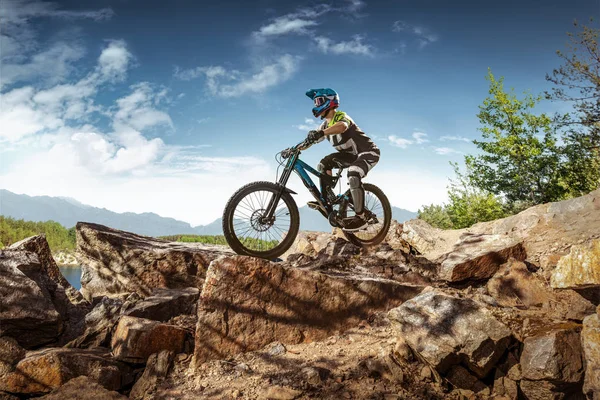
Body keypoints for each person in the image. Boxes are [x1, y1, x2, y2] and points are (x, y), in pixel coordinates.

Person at [304, 88, 380, 232]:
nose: (316, 104)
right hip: (350, 156)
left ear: (330, 101)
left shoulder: (341, 116)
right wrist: (294, 149)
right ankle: (327, 199)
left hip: (368, 152)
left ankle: (361, 216)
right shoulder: (324, 125)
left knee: (353, 172)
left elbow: (342, 126)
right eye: (315, 102)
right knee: (323, 164)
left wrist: (321, 133)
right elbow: (310, 142)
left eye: (319, 101)